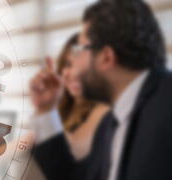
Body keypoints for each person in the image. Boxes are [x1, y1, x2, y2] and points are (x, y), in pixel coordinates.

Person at [30, 1, 172, 180]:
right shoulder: (110, 124)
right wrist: (46, 111)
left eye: (80, 50)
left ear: (106, 57)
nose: (74, 66)